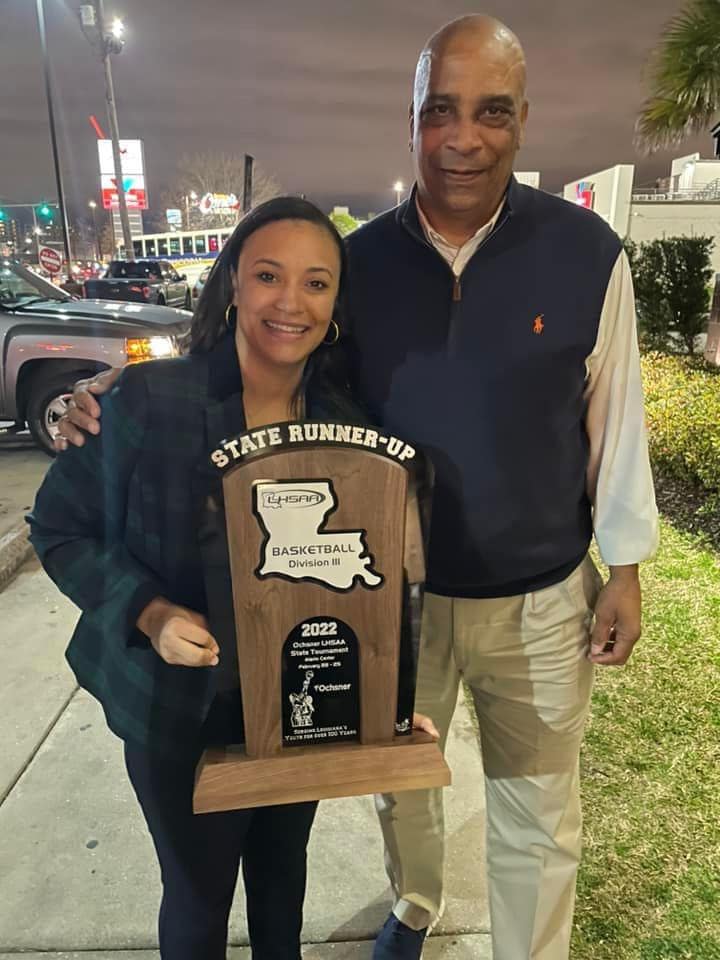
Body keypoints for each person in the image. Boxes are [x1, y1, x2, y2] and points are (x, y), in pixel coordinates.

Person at [55, 14, 659, 960]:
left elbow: (616, 415)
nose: (465, 138)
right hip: (386, 601)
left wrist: (623, 565)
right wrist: (105, 395)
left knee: (534, 808)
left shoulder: (585, 252)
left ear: (524, 120)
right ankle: (414, 909)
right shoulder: (361, 262)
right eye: (441, 111)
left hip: (536, 595)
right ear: (412, 120)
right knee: (395, 790)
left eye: (491, 111)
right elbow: (268, 373)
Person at [28, 195, 437, 960]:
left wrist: (388, 700)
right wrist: (148, 612)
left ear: (336, 304)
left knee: (283, 883)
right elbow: (58, 527)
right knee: (198, 896)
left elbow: (369, 579)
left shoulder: (349, 424)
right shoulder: (148, 401)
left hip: (299, 705)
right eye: (268, 276)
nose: (291, 302)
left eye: (316, 283)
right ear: (233, 286)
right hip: (181, 713)